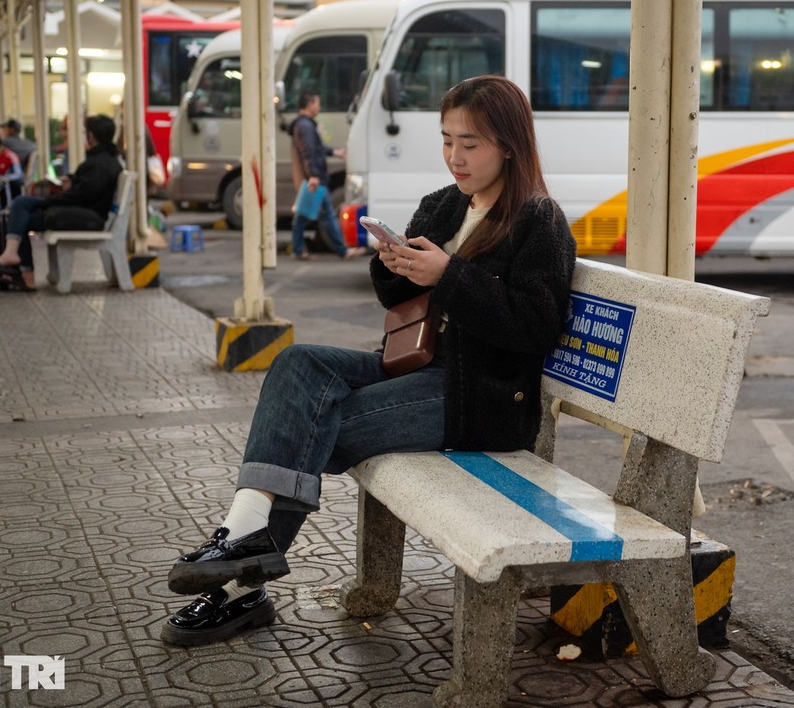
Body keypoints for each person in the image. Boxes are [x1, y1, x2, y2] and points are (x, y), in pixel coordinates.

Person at [158, 75, 577, 646]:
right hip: (417, 369)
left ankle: (239, 576)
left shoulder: (538, 220)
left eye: (470, 143)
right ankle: (247, 543)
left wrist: (449, 276)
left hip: (482, 399)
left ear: (509, 144)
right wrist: (392, 261)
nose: (455, 156)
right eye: (447, 138)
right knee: (297, 365)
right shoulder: (443, 205)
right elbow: (394, 298)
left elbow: (538, 326)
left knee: (315, 421)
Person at [0, 114, 122, 291]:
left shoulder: (100, 162)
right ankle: (17, 263)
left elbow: (83, 195)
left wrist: (48, 200)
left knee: (21, 208)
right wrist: (69, 181)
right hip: (84, 211)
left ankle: (21, 268)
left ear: (92, 135)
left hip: (86, 216)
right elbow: (86, 188)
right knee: (21, 209)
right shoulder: (105, 159)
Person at [288, 92, 365, 260]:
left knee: (302, 217)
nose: (319, 107)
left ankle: (298, 250)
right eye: (317, 103)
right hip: (316, 178)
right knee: (328, 216)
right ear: (309, 104)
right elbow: (310, 151)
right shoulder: (306, 126)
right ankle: (342, 250)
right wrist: (314, 175)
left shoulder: (303, 125)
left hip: (314, 177)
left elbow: (317, 148)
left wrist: (335, 152)